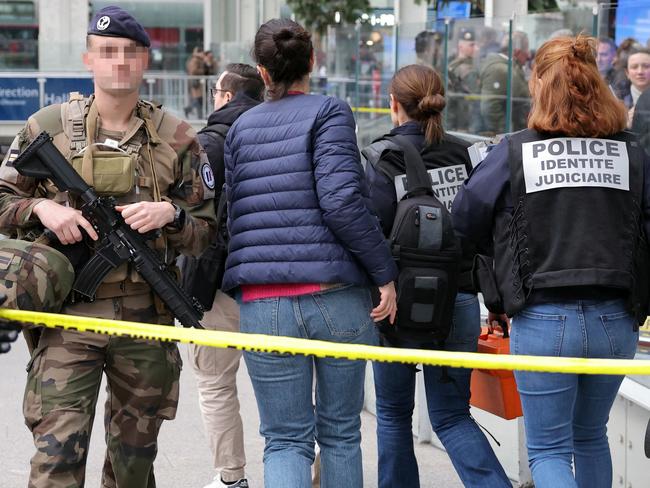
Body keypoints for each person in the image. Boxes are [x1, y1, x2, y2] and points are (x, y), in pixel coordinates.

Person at [0, 6, 215, 487]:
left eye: (129, 53)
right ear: (88, 59)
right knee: (56, 459)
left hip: (146, 320)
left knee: (133, 467)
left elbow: (207, 231)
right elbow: (2, 199)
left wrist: (173, 215)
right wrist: (41, 211)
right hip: (66, 319)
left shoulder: (178, 137)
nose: (119, 62)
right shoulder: (47, 126)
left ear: (145, 61)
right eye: (108, 52)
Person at [452, 34, 649, 488]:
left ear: (540, 83)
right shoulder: (631, 152)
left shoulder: (514, 151)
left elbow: (463, 219)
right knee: (591, 436)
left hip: (543, 318)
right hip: (616, 320)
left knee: (548, 449)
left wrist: (496, 262)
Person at [223, 18, 398, 488]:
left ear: (262, 72)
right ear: (312, 62)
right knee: (340, 433)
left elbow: (231, 212)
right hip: (334, 295)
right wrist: (384, 273)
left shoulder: (240, 128)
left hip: (262, 302)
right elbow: (342, 201)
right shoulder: (330, 112)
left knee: (283, 440)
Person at [362, 63, 510, 488]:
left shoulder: (382, 157)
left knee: (392, 415)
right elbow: (486, 235)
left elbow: (371, 233)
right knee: (452, 415)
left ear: (394, 105)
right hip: (460, 299)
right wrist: (494, 301)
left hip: (397, 306)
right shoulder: (469, 155)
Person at [187, 63, 264, 488]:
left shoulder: (207, 143)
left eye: (216, 91)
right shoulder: (279, 134)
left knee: (215, 382)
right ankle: (307, 469)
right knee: (293, 385)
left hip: (216, 282)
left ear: (227, 96)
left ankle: (231, 475)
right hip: (274, 279)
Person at [479, 31, 530, 135]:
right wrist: (504, 133)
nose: (528, 54)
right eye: (526, 50)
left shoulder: (509, 68)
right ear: (517, 52)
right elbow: (490, 106)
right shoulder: (500, 70)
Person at [447, 27, 480, 132]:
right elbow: (475, 100)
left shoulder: (451, 65)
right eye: (472, 45)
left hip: (456, 121)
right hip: (465, 123)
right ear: (460, 46)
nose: (476, 48)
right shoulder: (467, 70)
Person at [624, 48, 650, 123]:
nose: (640, 72)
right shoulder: (617, 99)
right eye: (634, 67)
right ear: (627, 73)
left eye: (646, 66)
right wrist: (624, 125)